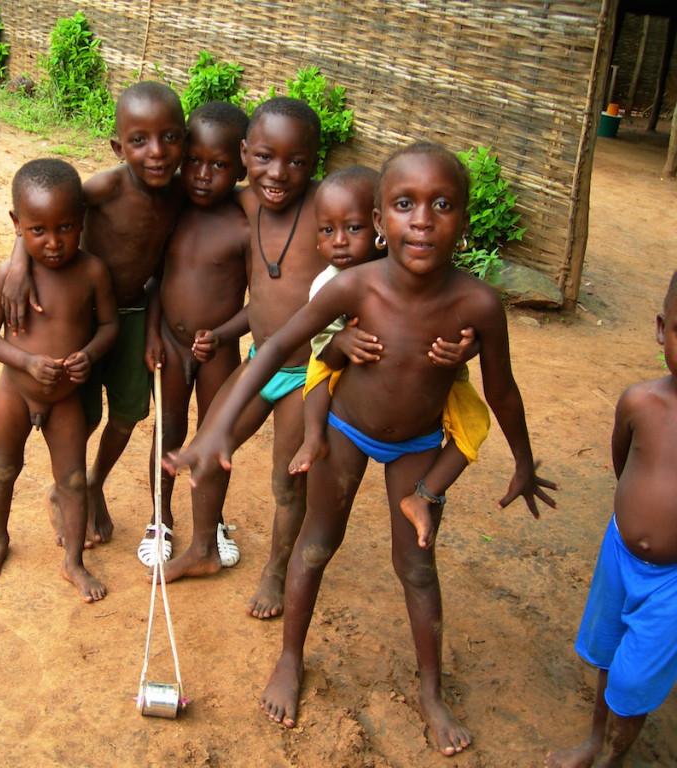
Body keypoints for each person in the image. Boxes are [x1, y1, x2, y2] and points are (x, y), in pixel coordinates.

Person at [165, 141, 557, 754]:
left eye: (442, 205)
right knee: (317, 544)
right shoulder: (355, 288)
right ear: (380, 221)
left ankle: (431, 693)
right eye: (404, 204)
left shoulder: (478, 303)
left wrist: (526, 463)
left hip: (420, 444)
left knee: (418, 568)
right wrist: (218, 425)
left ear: (465, 220)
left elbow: (502, 393)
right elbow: (277, 347)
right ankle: (291, 659)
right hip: (345, 431)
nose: (422, 221)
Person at [160, 97, 329, 621]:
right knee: (208, 446)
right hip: (259, 360)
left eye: (296, 161)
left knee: (286, 481)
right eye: (263, 157)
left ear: (314, 163)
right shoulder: (244, 202)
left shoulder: (327, 206)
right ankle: (203, 547)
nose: (278, 173)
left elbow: (385, 226)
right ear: (243, 155)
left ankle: (276, 571)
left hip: (308, 375)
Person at [1, 81, 185, 548]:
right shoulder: (106, 186)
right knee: (80, 416)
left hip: (132, 316)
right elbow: (46, 214)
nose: (157, 152)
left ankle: (95, 482)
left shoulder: (182, 196)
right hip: (83, 317)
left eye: (170, 137)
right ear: (117, 146)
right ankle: (69, 490)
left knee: (126, 414)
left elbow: (165, 264)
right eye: (139, 140)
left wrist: (152, 327)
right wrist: (20, 262)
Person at [289, 165, 490, 550]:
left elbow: (465, 328)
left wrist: (470, 347)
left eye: (354, 228)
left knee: (474, 425)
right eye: (328, 231)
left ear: (375, 226)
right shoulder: (333, 284)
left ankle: (427, 493)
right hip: (344, 388)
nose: (341, 242)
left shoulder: (426, 274)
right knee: (317, 372)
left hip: (424, 407)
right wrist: (342, 343)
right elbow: (314, 347)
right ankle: (313, 437)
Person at [546, 271, 677, 768]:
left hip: (673, 580)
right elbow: (624, 464)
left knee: (634, 676)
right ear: (663, 329)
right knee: (606, 652)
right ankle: (596, 742)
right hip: (619, 552)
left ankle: (614, 757)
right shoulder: (640, 401)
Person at [0, 158, 118, 603]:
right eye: (38, 230)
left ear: (82, 221)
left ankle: (73, 561)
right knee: (3, 467)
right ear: (17, 224)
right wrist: (26, 362)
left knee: (73, 480)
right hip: (15, 391)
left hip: (65, 397)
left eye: (66, 228)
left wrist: (89, 357)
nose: (54, 243)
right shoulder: (9, 275)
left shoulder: (92, 272)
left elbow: (110, 326)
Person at [140, 101, 251, 567]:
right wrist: (151, 333)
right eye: (195, 162)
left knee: (213, 435)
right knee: (168, 430)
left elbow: (263, 303)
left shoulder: (247, 225)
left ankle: (212, 520)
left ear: (243, 163)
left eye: (220, 165)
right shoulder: (171, 209)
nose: (203, 174)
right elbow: (155, 278)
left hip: (218, 350)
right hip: (167, 339)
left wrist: (223, 335)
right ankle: (160, 516)